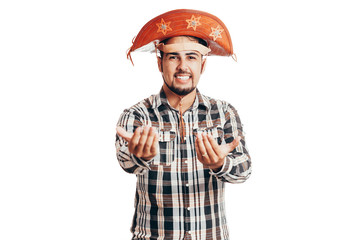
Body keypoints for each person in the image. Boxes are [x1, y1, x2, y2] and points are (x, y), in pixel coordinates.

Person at [115, 9, 252, 240]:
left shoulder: (224, 112)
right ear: (160, 63)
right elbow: (126, 162)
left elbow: (244, 170)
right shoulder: (137, 114)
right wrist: (138, 155)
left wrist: (220, 163)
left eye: (191, 57)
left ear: (202, 65)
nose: (182, 66)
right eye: (173, 57)